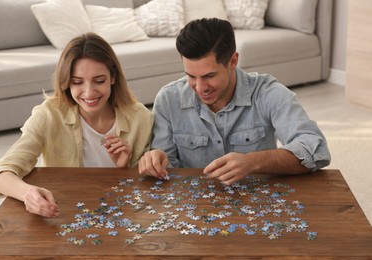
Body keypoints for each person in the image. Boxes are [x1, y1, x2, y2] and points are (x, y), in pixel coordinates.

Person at [139, 18, 331, 184]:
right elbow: (167, 169)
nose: (200, 87)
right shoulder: (168, 99)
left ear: (233, 61)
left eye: (209, 75)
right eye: (191, 76)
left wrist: (253, 162)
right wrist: (157, 161)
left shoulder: (268, 93)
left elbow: (316, 150)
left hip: (259, 204)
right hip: (192, 209)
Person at [0, 32, 153, 218]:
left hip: (123, 217)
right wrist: (29, 194)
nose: (89, 92)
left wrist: (123, 170)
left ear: (113, 77)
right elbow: (1, 175)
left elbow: (149, 192)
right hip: (64, 215)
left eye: (99, 81)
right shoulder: (48, 115)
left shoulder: (141, 118)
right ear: (66, 82)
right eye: (77, 82)